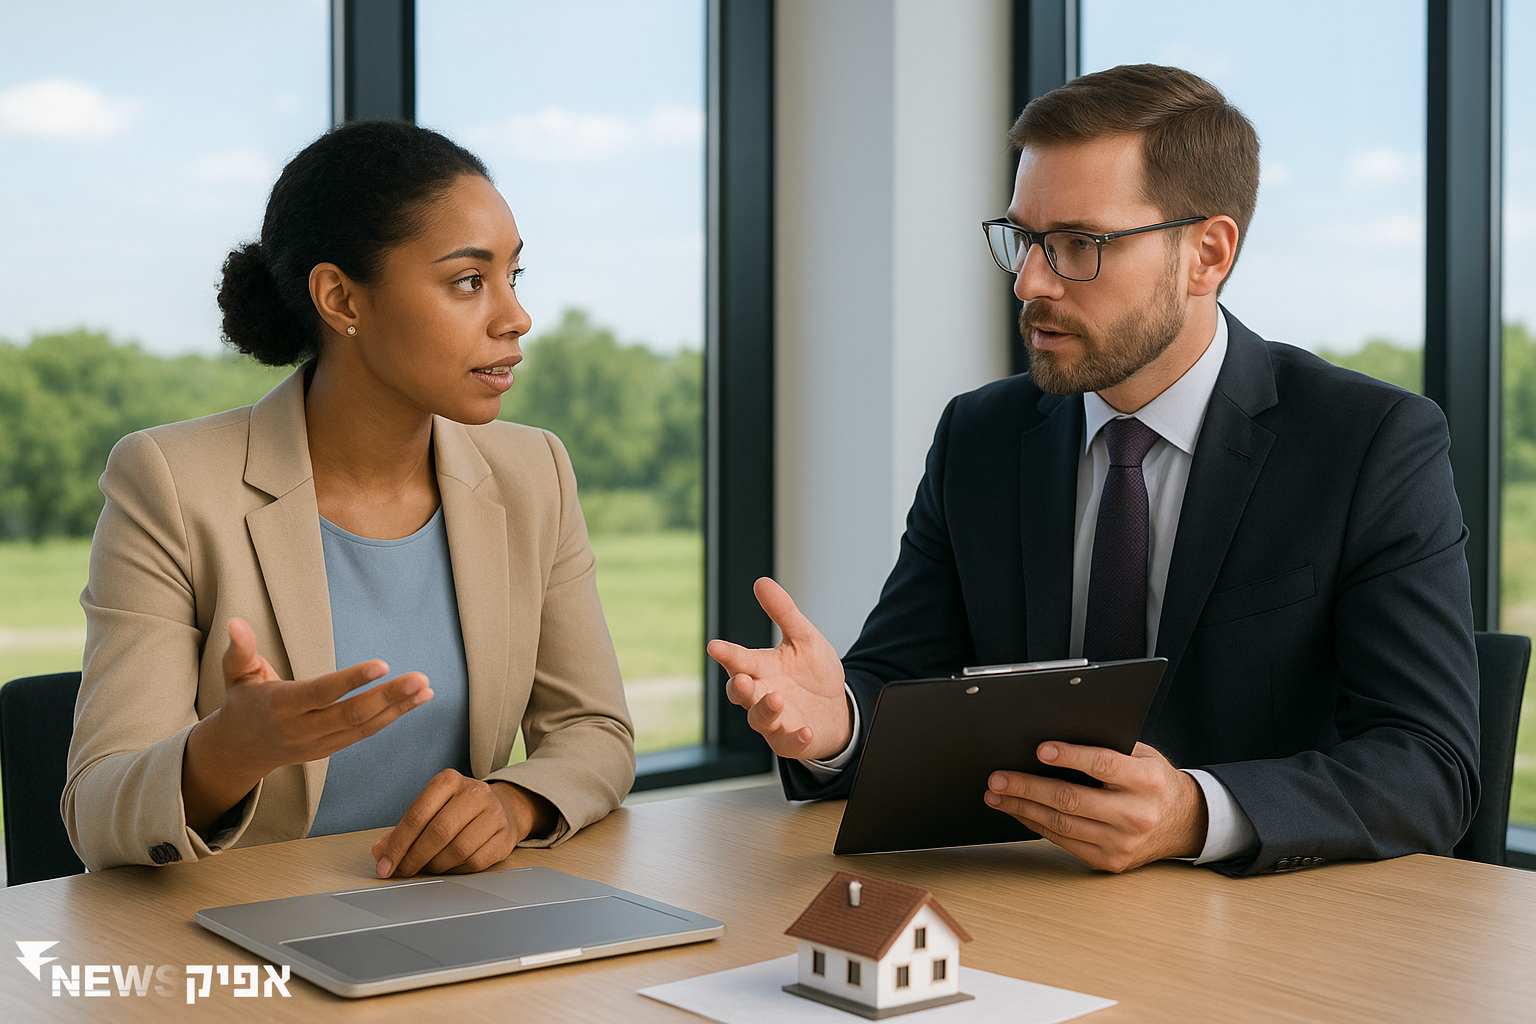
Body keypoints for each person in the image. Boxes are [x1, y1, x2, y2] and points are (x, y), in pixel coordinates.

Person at [707, 64, 1480, 877]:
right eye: (1025, 239)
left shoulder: (1369, 443)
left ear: (1206, 255)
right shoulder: (981, 434)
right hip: (1028, 914)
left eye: (1081, 244)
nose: (1031, 281)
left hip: (1263, 942)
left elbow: (1429, 765)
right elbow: (903, 682)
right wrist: (841, 726)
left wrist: (1195, 812)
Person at [64, 121, 635, 876]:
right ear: (340, 298)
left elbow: (594, 728)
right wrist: (224, 756)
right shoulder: (168, 481)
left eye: (513, 276)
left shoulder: (535, 471)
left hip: (457, 920)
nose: (515, 317)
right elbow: (97, 809)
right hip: (242, 943)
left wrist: (513, 802)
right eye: (470, 280)